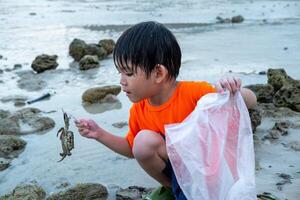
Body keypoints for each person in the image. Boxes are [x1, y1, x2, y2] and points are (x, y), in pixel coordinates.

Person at [75, 21, 257, 200]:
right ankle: (173, 188)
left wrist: (231, 90)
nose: (122, 81)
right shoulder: (140, 109)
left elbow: (250, 100)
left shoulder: (195, 94)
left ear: (158, 73)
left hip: (211, 171)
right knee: (143, 141)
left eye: (128, 73)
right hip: (179, 174)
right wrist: (99, 134)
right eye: (120, 73)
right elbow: (132, 149)